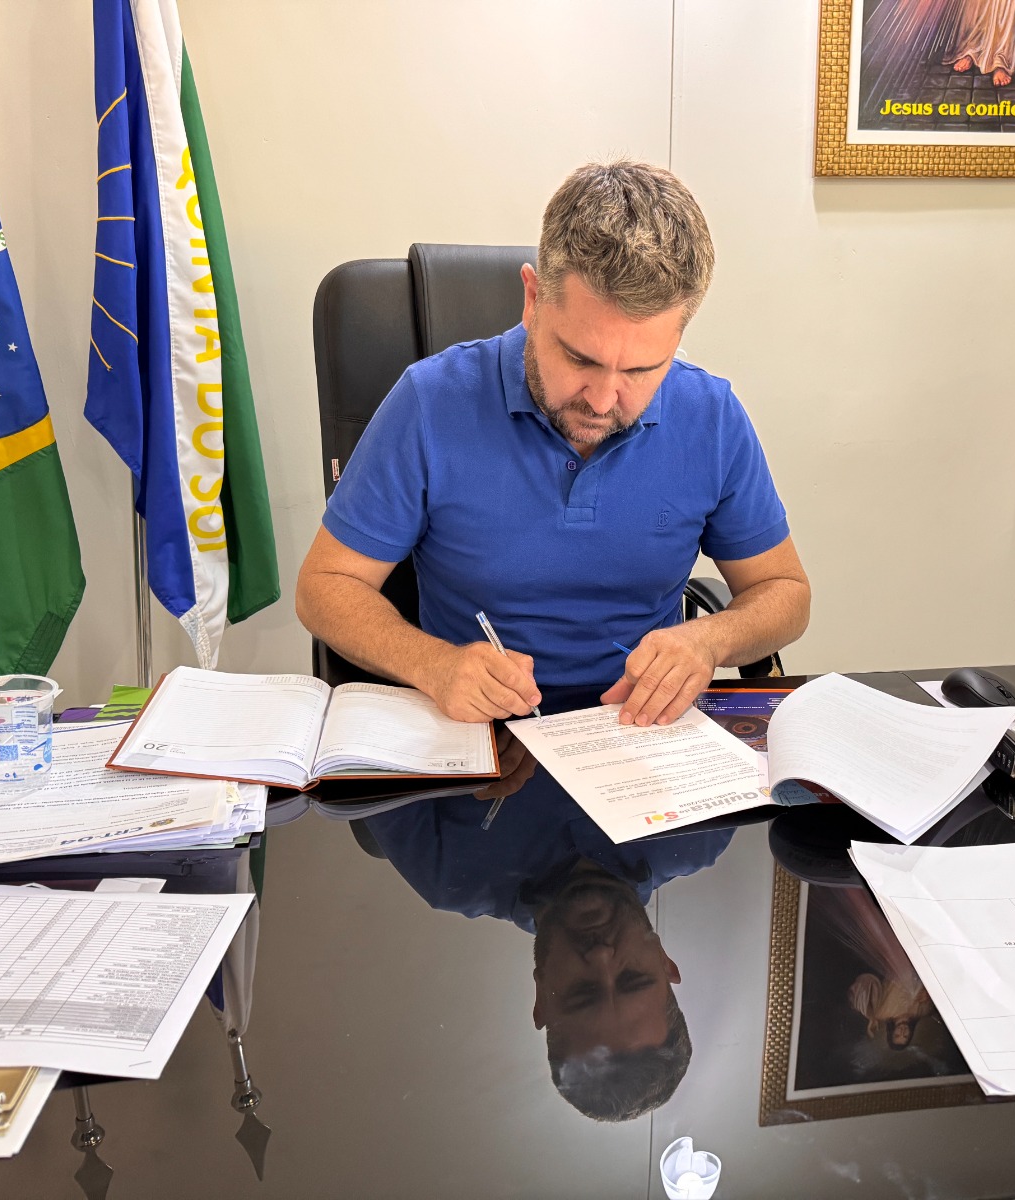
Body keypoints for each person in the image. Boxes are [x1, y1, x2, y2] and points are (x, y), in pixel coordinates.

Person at [296, 161, 809, 727]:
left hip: (641, 734)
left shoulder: (710, 415)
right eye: (580, 359)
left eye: (640, 370)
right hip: (483, 733)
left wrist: (710, 639)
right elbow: (325, 586)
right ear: (533, 297)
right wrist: (434, 665)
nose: (603, 400)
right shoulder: (432, 401)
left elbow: (783, 591)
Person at [362, 767, 731, 1121]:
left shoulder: (447, 872)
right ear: (665, 964)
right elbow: (748, 723)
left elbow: (362, 742)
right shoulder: (703, 830)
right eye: (633, 978)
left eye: (583, 992)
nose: (601, 956)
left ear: (542, 997)